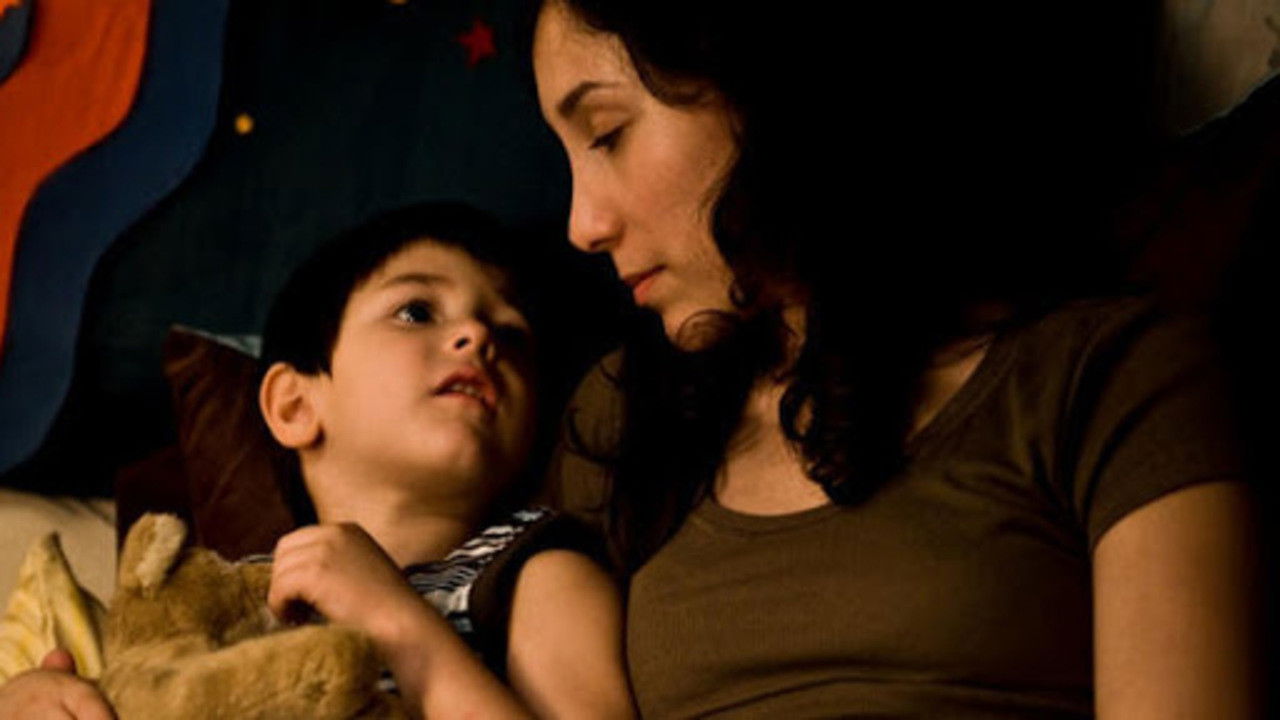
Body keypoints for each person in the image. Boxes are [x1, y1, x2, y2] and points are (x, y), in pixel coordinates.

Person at [531, 1, 1263, 718]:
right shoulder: (621, 418)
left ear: (764, 89)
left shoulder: (1106, 377)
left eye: (607, 133)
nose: (582, 226)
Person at [0, 202, 636, 719]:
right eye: (417, 312)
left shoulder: (537, 572)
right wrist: (38, 699)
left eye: (513, 335)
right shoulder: (224, 595)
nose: (480, 337)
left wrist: (396, 622)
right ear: (295, 405)